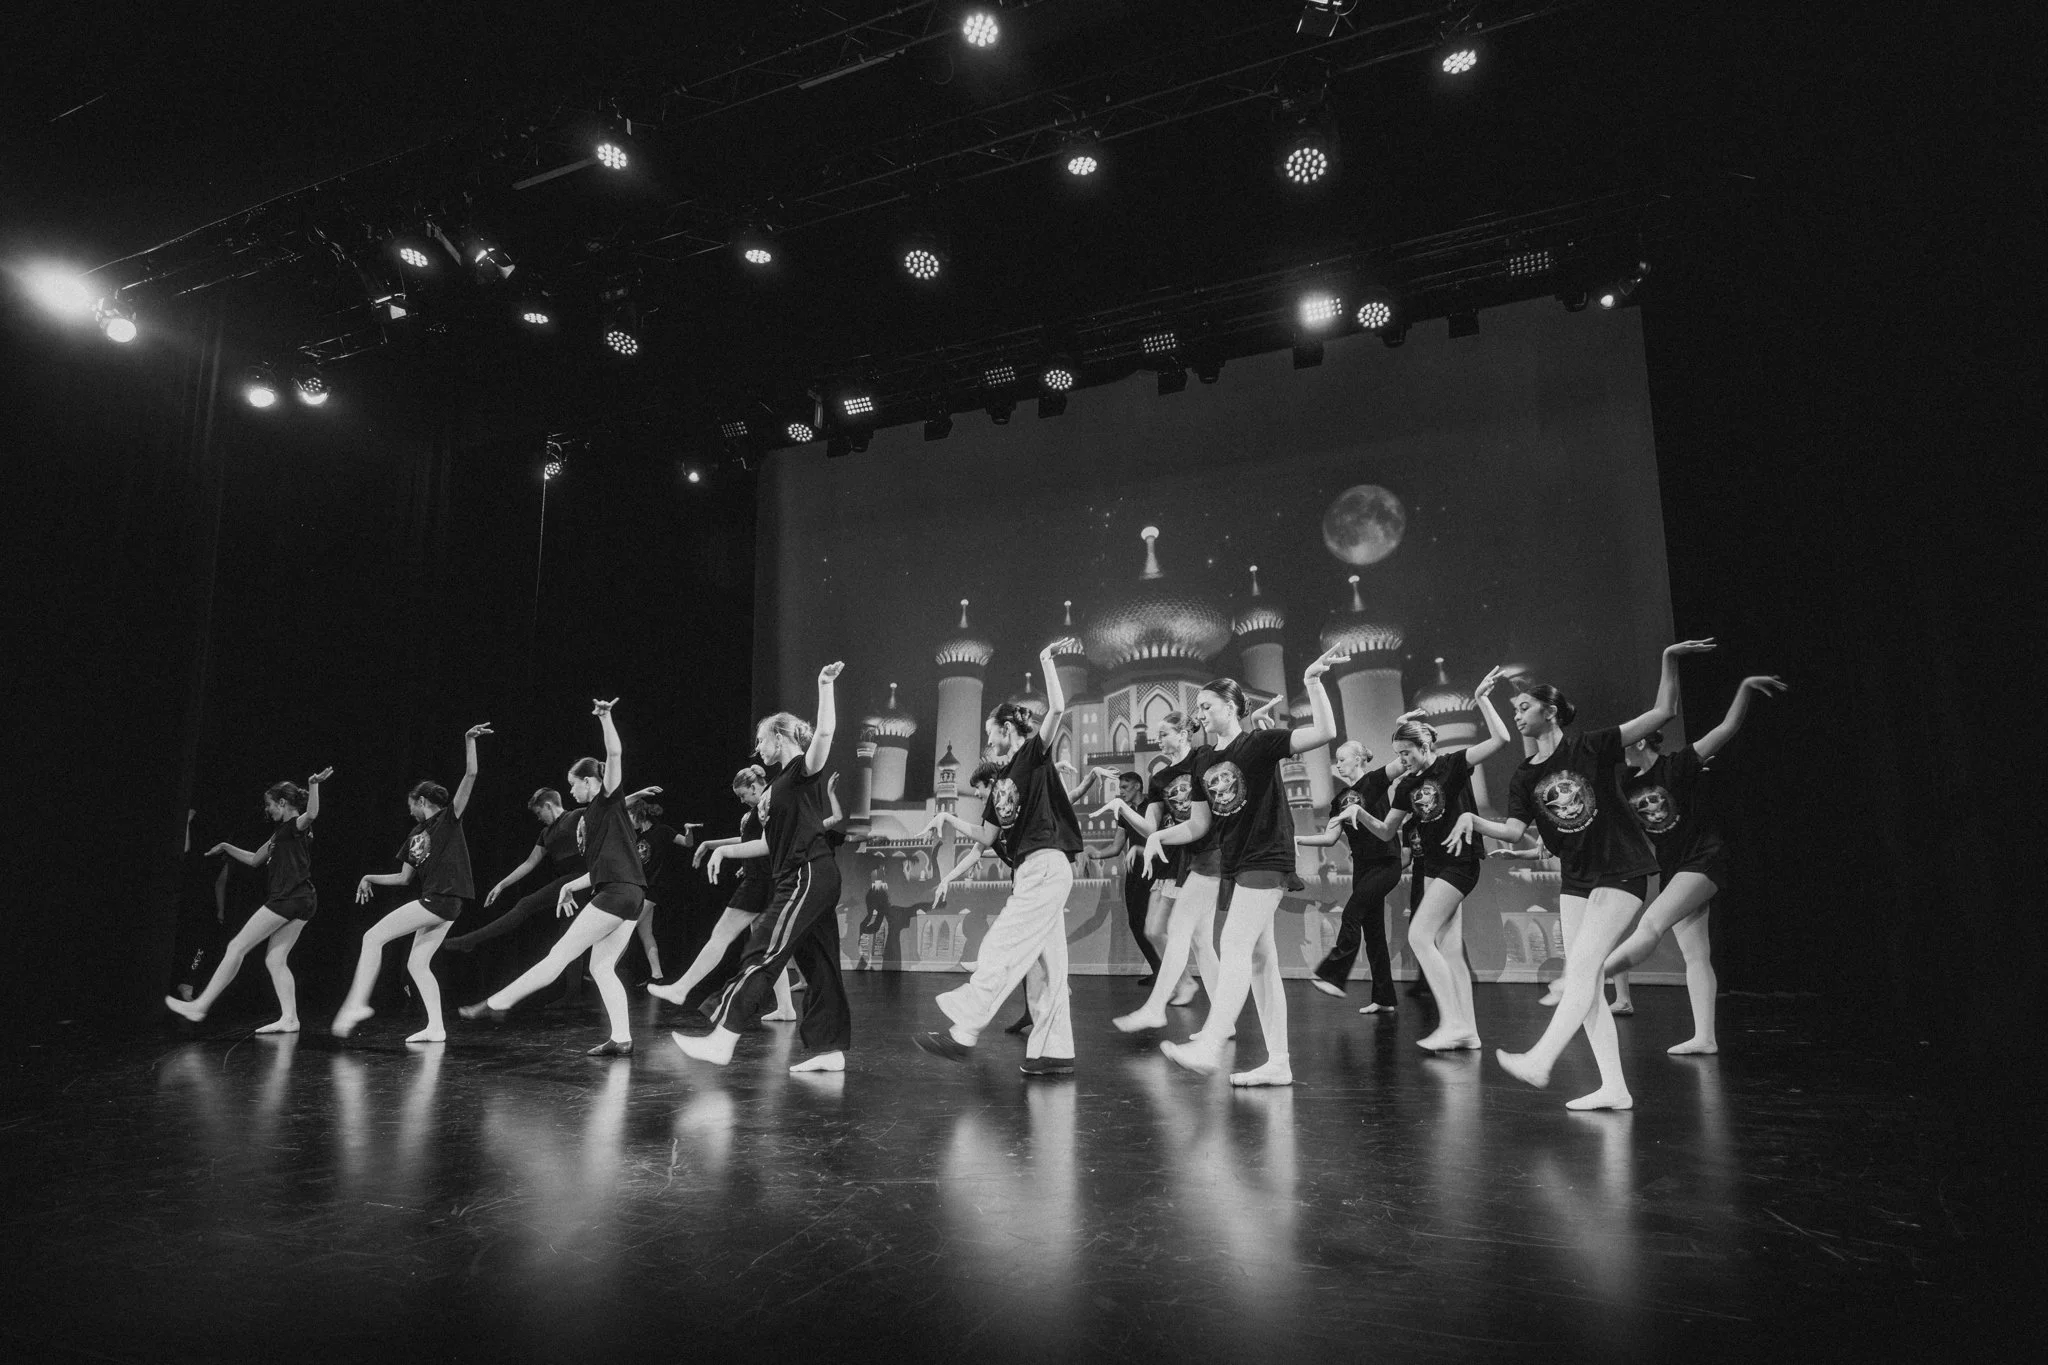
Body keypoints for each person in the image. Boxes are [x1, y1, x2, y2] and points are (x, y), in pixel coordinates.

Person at [1449, 640, 1716, 1110]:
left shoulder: (1591, 746)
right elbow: (1513, 830)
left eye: (1524, 707)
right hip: (1575, 880)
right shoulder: (1524, 776)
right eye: (1514, 709)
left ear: (1550, 711)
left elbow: (1663, 712)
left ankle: (1541, 1059)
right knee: (1586, 985)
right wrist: (1472, 819)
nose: (1518, 715)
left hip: (1621, 870)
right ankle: (1613, 1087)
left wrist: (1668, 659)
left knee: (1582, 972)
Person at [1153, 648, 1346, 1086]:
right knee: (1261, 960)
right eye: (1198, 708)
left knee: (1234, 944)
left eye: (1207, 706)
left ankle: (1211, 1043)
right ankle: (1279, 1061)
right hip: (1235, 861)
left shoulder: (1259, 743)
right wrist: (1157, 836)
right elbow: (1198, 824)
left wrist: (1312, 683)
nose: (1200, 714)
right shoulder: (1203, 760)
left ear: (1232, 706)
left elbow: (1325, 732)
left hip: (1267, 855)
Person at [911, 643, 1081, 1077]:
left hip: (1046, 863)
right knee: (1046, 969)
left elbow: (1057, 709)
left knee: (1000, 945)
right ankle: (1055, 1052)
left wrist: (1045, 661)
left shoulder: (1032, 755)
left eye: (992, 735)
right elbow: (986, 837)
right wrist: (947, 817)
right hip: (1029, 871)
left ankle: (964, 1031)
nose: (989, 743)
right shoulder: (1003, 778)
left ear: (1008, 728)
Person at [675, 662, 851, 1073]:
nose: (757, 749)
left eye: (761, 740)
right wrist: (724, 852)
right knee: (819, 963)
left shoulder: (801, 771)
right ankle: (829, 1050)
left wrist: (824, 685)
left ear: (779, 735)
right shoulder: (776, 787)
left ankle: (723, 1038)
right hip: (803, 873)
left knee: (764, 949)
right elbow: (769, 843)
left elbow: (825, 733)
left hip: (808, 871)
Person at [1604, 673, 1786, 1054]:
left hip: (1704, 858)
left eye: (1627, 740)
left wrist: (1744, 687)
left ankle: (1586, 977)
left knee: (1652, 922)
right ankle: (1705, 1038)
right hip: (1675, 867)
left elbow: (1727, 728)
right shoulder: (1627, 784)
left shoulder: (1679, 764)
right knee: (1695, 955)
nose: (1621, 747)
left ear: (1641, 740)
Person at [458, 700, 649, 1056]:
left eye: (573, 785)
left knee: (557, 956)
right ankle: (622, 1038)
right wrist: (570, 886)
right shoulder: (595, 815)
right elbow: (603, 867)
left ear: (590, 782)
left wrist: (605, 718)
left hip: (617, 894)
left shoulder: (607, 800)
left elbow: (614, 753)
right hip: (630, 894)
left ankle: (496, 1003)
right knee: (601, 965)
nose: (571, 792)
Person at [1337, 670, 1515, 1051]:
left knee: (1419, 935)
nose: (1402, 761)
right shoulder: (1406, 785)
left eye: (1407, 753)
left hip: (1459, 862)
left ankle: (1452, 1023)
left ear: (1425, 746)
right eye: (1398, 755)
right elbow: (1386, 830)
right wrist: (1359, 813)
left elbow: (1500, 740)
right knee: (1448, 948)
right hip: (1432, 865)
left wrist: (1483, 700)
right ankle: (1468, 1031)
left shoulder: (1452, 764)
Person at [334, 724, 490, 1042]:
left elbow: (471, 774)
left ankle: (357, 1003)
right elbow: (404, 878)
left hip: (442, 898)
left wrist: (469, 740)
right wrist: (368, 877)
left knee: (372, 937)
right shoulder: (415, 834)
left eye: (411, 805)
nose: (409, 811)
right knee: (418, 964)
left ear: (421, 801)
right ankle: (436, 1028)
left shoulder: (448, 818)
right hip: (441, 902)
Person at [165, 767, 333, 1033]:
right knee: (275, 959)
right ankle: (290, 1018)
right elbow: (255, 859)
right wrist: (225, 846)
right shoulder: (279, 834)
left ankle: (199, 1006)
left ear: (282, 803)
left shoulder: (297, 825)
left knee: (236, 947)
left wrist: (314, 785)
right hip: (303, 900)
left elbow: (311, 814)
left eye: (270, 805)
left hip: (289, 898)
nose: (267, 810)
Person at [647, 767, 800, 1022]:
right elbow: (746, 840)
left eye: (742, 795)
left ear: (754, 787)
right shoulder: (760, 808)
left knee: (721, 936)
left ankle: (681, 988)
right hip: (762, 880)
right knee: (766, 951)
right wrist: (711, 844)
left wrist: (724, 853)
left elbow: (767, 845)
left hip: (760, 883)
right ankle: (785, 1007)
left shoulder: (767, 805)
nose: (741, 800)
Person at [1106, 710, 1219, 1029]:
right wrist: (1122, 807)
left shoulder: (1203, 759)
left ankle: (1165, 1007)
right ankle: (1190, 991)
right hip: (1174, 858)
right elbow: (1149, 827)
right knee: (1161, 932)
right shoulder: (1159, 780)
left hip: (1204, 855)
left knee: (1196, 940)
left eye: (1164, 734)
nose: (1159, 740)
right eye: (1157, 735)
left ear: (1183, 734)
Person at [1296, 740, 1403, 1013]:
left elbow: (1403, 762)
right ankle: (1384, 998)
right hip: (1363, 869)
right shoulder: (1340, 799)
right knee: (1374, 933)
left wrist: (1402, 733)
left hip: (1385, 864)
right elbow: (1330, 838)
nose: (1339, 764)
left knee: (1351, 914)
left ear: (1358, 759)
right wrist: (1298, 839)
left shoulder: (1376, 780)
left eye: (1343, 759)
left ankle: (1334, 976)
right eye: (1337, 760)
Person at [627, 797, 691, 983]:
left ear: (637, 814)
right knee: (645, 933)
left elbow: (687, 843)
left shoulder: (662, 831)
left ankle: (607, 967)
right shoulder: (637, 837)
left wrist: (688, 830)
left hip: (656, 887)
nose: (627, 821)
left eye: (628, 816)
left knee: (626, 926)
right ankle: (657, 975)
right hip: (642, 888)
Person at [858, 869, 892, 971]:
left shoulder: (881, 893)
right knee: (872, 930)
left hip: (878, 916)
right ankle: (866, 958)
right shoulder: (873, 893)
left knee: (876, 932)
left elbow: (884, 907)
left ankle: (869, 960)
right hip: (875, 916)